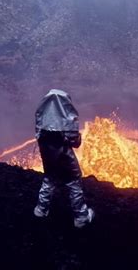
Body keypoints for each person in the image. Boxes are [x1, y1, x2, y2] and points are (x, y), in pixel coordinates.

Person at [33, 89, 94, 228]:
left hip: (47, 155)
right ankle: (81, 217)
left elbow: (38, 135)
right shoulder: (66, 119)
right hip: (64, 156)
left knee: (49, 178)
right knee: (73, 181)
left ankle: (40, 210)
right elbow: (75, 142)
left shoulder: (41, 116)